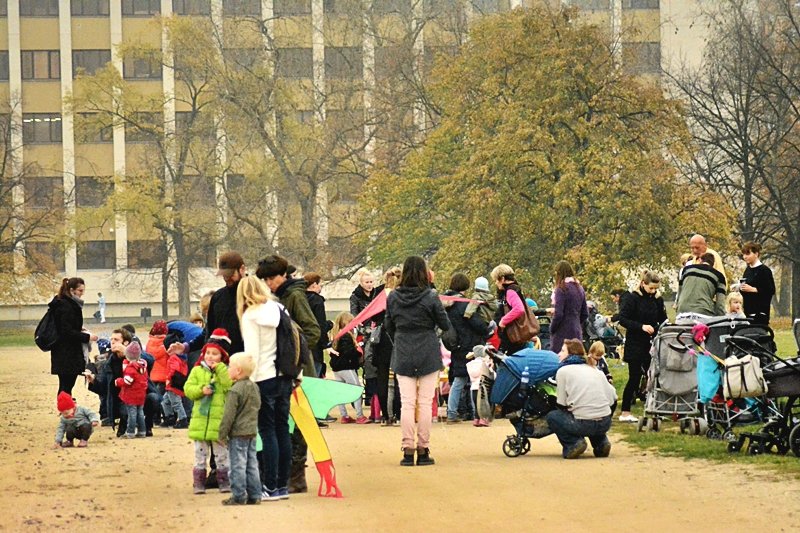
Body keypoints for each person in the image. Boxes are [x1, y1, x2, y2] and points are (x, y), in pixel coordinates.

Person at [256, 254, 320, 493]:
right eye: (265, 279)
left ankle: (296, 475)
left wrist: (291, 350)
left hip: (299, 370)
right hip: (280, 370)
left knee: (298, 425)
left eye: (271, 278)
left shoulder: (294, 295)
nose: (268, 283)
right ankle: (284, 474)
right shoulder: (275, 298)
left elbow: (313, 330)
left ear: (283, 275)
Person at [385, 255, 452, 467]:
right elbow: (445, 323)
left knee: (406, 403)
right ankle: (423, 448)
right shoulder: (431, 296)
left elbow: (388, 325)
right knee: (424, 403)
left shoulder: (393, 297)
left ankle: (407, 449)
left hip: (403, 348)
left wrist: (401, 333)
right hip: (427, 350)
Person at [236, 275, 291, 502]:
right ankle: (282, 485)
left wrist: (248, 381)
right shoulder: (279, 309)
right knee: (282, 429)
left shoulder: (250, 315)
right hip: (283, 375)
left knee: (267, 432)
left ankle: (269, 485)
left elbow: (252, 353)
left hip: (263, 378)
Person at [545, 339, 617, 459]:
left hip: (583, 424)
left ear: (570, 354)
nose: (559, 354)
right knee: (592, 413)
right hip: (605, 423)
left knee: (553, 416)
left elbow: (561, 403)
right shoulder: (596, 370)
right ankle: (601, 443)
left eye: (562, 351)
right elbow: (613, 398)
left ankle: (573, 443)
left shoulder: (563, 371)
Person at [185, 329, 234, 494]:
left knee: (221, 455)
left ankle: (224, 481)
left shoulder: (225, 371)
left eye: (215, 354)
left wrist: (220, 369)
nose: (211, 357)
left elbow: (229, 386)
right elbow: (188, 389)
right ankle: (199, 482)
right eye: (208, 353)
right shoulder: (197, 371)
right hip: (201, 419)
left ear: (222, 356)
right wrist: (201, 390)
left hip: (218, 420)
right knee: (200, 455)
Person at [617, 270, 667, 423]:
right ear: (643, 284)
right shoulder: (632, 298)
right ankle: (625, 411)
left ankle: (657, 408)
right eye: (651, 288)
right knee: (634, 377)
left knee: (655, 377)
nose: (653, 291)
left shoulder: (657, 300)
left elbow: (662, 319)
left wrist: (658, 328)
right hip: (635, 342)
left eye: (655, 288)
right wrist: (641, 327)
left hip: (651, 343)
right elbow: (623, 319)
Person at [443, 273, 489, 424]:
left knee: (458, 380)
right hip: (469, 344)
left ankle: (451, 412)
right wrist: (488, 328)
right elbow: (476, 324)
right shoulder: (465, 304)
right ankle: (477, 412)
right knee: (475, 380)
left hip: (455, 345)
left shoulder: (447, 304)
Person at [218, 353, 262, 506]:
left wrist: (222, 434)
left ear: (238, 371)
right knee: (251, 464)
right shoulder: (254, 387)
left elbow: (228, 415)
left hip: (238, 433)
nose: (228, 370)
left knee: (237, 464)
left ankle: (238, 495)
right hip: (251, 431)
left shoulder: (235, 390)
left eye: (230, 367)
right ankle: (255, 494)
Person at [49, 277, 98, 395]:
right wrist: (87, 337)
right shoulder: (67, 306)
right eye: (80, 291)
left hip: (65, 352)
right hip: (67, 353)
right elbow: (66, 332)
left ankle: (66, 409)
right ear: (72, 290)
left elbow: (66, 326)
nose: (82, 294)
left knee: (66, 385)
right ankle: (65, 410)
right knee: (66, 386)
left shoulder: (64, 303)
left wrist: (79, 329)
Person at [329, 312, 370, 424]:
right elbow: (348, 352)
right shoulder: (346, 335)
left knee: (341, 391)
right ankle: (359, 415)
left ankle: (344, 415)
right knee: (356, 390)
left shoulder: (336, 334)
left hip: (337, 367)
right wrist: (357, 352)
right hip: (346, 366)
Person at [547, 261, 589, 354]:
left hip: (562, 333)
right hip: (576, 331)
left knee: (561, 360)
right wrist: (577, 323)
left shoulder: (561, 289)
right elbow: (585, 313)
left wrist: (552, 328)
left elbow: (558, 314)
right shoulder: (579, 288)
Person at [490, 264, 529, 355]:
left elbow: (519, 309)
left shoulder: (510, 291)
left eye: (496, 280)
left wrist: (503, 321)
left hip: (512, 337)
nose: (496, 283)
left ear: (502, 279)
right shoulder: (516, 289)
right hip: (518, 335)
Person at [114, 342, 149, 439]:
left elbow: (127, 381)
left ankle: (130, 432)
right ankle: (142, 431)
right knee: (140, 413)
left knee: (132, 414)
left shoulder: (131, 369)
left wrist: (118, 381)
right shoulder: (142, 367)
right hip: (141, 394)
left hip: (131, 395)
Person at [675, 252, 726, 319]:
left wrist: (678, 308)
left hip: (682, 313)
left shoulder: (686, 270)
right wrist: (721, 318)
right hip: (704, 314)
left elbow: (679, 293)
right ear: (713, 264)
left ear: (700, 260)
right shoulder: (719, 276)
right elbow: (720, 305)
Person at [738, 241, 776, 325]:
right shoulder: (747, 270)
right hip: (747, 312)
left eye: (748, 254)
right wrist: (740, 288)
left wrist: (754, 289)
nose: (745, 257)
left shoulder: (764, 270)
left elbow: (771, 290)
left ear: (756, 254)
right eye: (743, 254)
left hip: (760, 314)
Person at [304, 272, 331, 378]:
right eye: (320, 285)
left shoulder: (301, 298)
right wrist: (326, 343)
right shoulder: (317, 300)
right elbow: (320, 324)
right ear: (314, 285)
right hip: (315, 346)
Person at [161, 344, 189, 428]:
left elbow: (174, 369)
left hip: (172, 384)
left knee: (176, 402)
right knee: (165, 401)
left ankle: (182, 419)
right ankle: (170, 417)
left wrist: (168, 378)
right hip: (176, 383)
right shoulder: (182, 359)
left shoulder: (173, 358)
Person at [146, 320, 170, 404]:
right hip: (164, 376)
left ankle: (155, 414)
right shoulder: (167, 343)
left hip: (152, 375)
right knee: (164, 399)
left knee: (154, 396)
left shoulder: (149, 343)